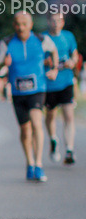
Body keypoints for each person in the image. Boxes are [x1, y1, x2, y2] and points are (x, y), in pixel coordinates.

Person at [0, 12, 58, 181]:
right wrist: (2, 64)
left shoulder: (41, 40)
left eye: (24, 24)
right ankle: (30, 163)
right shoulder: (6, 43)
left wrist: (54, 69)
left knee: (37, 123)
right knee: (25, 130)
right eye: (17, 24)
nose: (21, 27)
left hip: (37, 89)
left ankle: (39, 165)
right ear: (14, 25)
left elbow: (54, 50)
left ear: (31, 24)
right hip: (17, 92)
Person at [43, 12, 78, 165]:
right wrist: (48, 63)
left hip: (66, 82)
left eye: (59, 21)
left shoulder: (68, 36)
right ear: (49, 22)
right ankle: (53, 139)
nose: (56, 23)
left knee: (69, 115)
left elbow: (75, 55)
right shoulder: (43, 38)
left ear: (63, 23)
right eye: (53, 21)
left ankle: (69, 150)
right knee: (50, 116)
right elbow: (37, 59)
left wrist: (72, 61)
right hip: (49, 84)